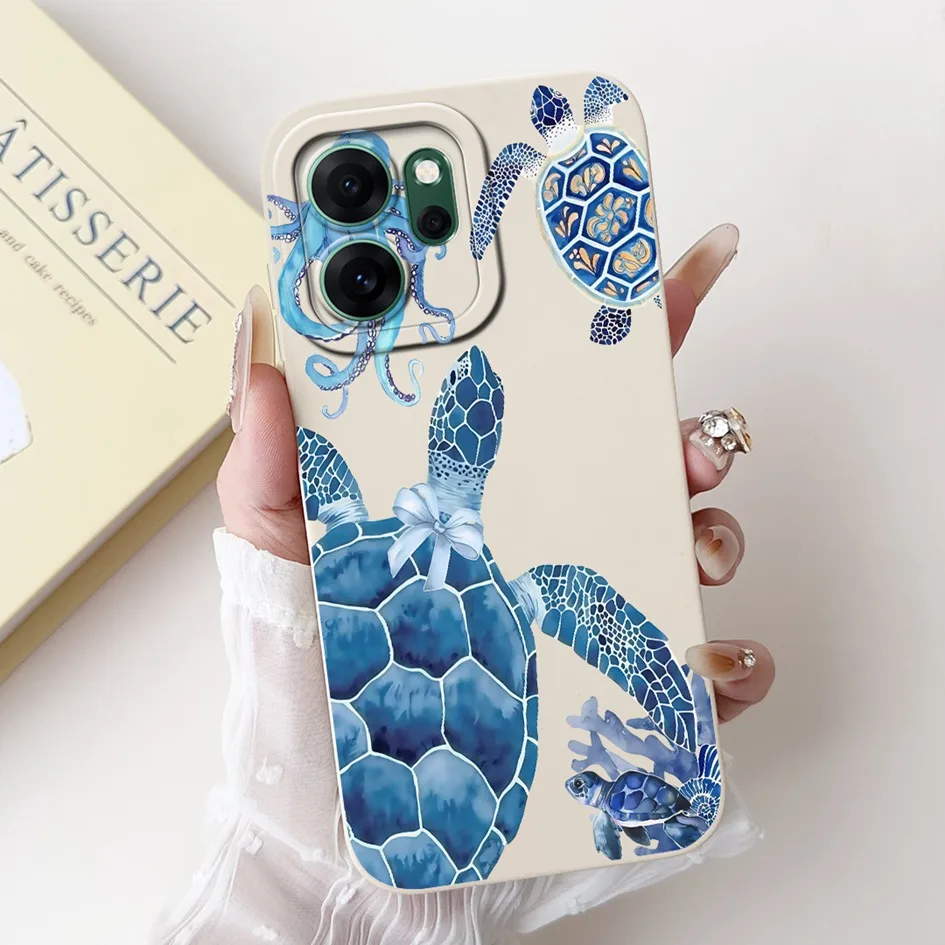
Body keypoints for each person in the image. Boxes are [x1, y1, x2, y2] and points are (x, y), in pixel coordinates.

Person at [152, 224, 774, 945]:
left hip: (406, 860)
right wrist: (676, 706)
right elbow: (602, 620)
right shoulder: (524, 593)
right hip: (462, 838)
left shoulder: (346, 526)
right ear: (482, 453)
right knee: (587, 602)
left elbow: (300, 478)